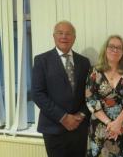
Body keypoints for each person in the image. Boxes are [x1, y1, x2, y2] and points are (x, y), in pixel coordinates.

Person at [32, 20, 91, 157]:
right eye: (60, 33)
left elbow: (90, 93)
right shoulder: (41, 60)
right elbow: (37, 94)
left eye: (68, 33)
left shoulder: (84, 62)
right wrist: (63, 117)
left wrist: (81, 115)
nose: (64, 37)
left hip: (79, 128)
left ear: (74, 38)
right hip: (54, 128)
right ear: (54, 36)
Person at [85, 35, 123, 157]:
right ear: (105, 49)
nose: (115, 50)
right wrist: (110, 123)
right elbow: (91, 99)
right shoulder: (94, 71)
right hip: (100, 128)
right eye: (112, 46)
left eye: (119, 48)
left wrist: (118, 123)